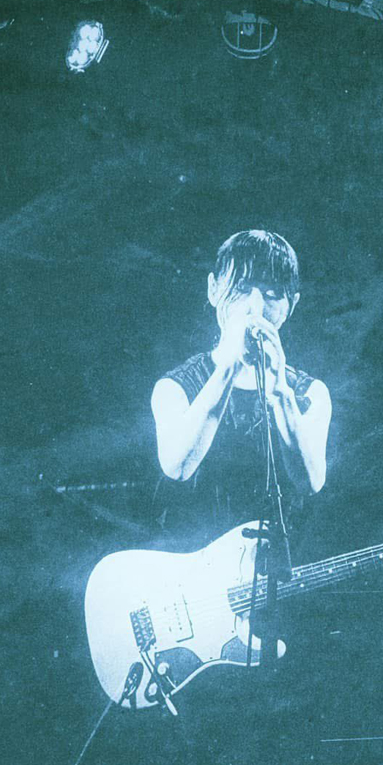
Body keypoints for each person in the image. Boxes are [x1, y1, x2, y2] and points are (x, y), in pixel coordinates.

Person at [151, 229, 331, 549]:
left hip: (273, 564)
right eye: (241, 289)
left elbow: (311, 482)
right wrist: (229, 366)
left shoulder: (311, 393)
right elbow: (177, 467)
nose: (255, 308)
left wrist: (279, 388)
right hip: (187, 566)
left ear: (292, 304)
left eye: (273, 294)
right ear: (213, 289)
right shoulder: (174, 387)